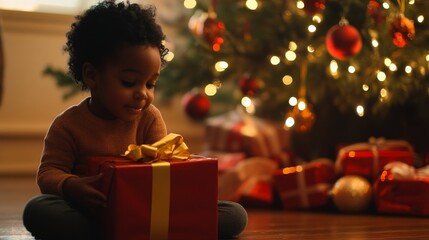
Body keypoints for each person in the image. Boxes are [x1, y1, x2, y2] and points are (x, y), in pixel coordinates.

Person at [22, 1, 247, 239]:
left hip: (146, 207)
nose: (143, 94)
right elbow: (48, 172)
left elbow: (164, 167)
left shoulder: (149, 118)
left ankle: (130, 228)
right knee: (38, 210)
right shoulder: (68, 125)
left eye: (151, 84)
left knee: (235, 214)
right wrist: (71, 185)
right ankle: (138, 229)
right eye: (129, 82)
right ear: (92, 75)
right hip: (95, 210)